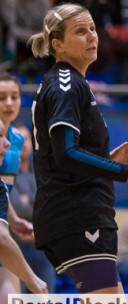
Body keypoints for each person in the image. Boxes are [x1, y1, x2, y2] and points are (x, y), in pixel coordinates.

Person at [28, 3, 128, 294]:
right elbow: (66, 155)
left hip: (79, 213)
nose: (91, 36)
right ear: (58, 45)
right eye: (80, 31)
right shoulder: (66, 85)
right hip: (78, 216)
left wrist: (110, 159)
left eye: (92, 29)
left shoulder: (73, 84)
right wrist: (126, 173)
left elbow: (63, 157)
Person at [7, 125, 57, 293]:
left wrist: (27, 203)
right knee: (18, 298)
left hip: (42, 247)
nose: (23, 144)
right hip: (16, 247)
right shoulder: (7, 174)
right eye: (18, 139)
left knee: (46, 296)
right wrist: (34, 204)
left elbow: (50, 208)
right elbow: (17, 208)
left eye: (26, 138)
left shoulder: (41, 172)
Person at [0, 119, 47, 295]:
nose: (8, 143)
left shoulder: (2, 186)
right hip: (15, 244)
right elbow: (1, 237)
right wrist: (31, 279)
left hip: (34, 244)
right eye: (0, 136)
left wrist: (13, 220)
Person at [1, 0, 51, 64]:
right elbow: (10, 27)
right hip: (16, 36)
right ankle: (9, 65)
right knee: (10, 36)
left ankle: (46, 66)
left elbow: (48, 24)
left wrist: (41, 34)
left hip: (37, 34)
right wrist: (31, 34)